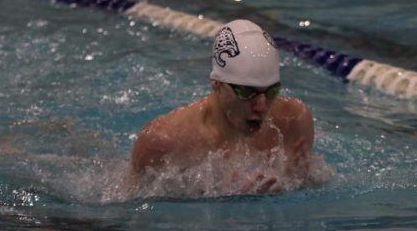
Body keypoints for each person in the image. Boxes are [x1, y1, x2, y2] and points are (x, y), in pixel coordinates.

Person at [130, 19, 314, 194]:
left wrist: (300, 181)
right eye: (246, 92)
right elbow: (133, 216)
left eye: (272, 91)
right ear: (216, 83)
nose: (261, 106)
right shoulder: (165, 142)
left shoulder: (293, 122)